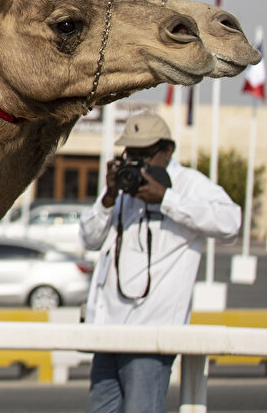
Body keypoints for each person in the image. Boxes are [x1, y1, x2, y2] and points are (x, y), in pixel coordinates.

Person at [79, 112, 241, 413]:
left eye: (145, 154)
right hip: (108, 331)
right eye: (131, 153)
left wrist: (165, 199)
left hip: (152, 334)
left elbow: (231, 222)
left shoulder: (188, 184)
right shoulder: (122, 188)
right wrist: (108, 198)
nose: (137, 161)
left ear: (167, 150)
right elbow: (88, 238)